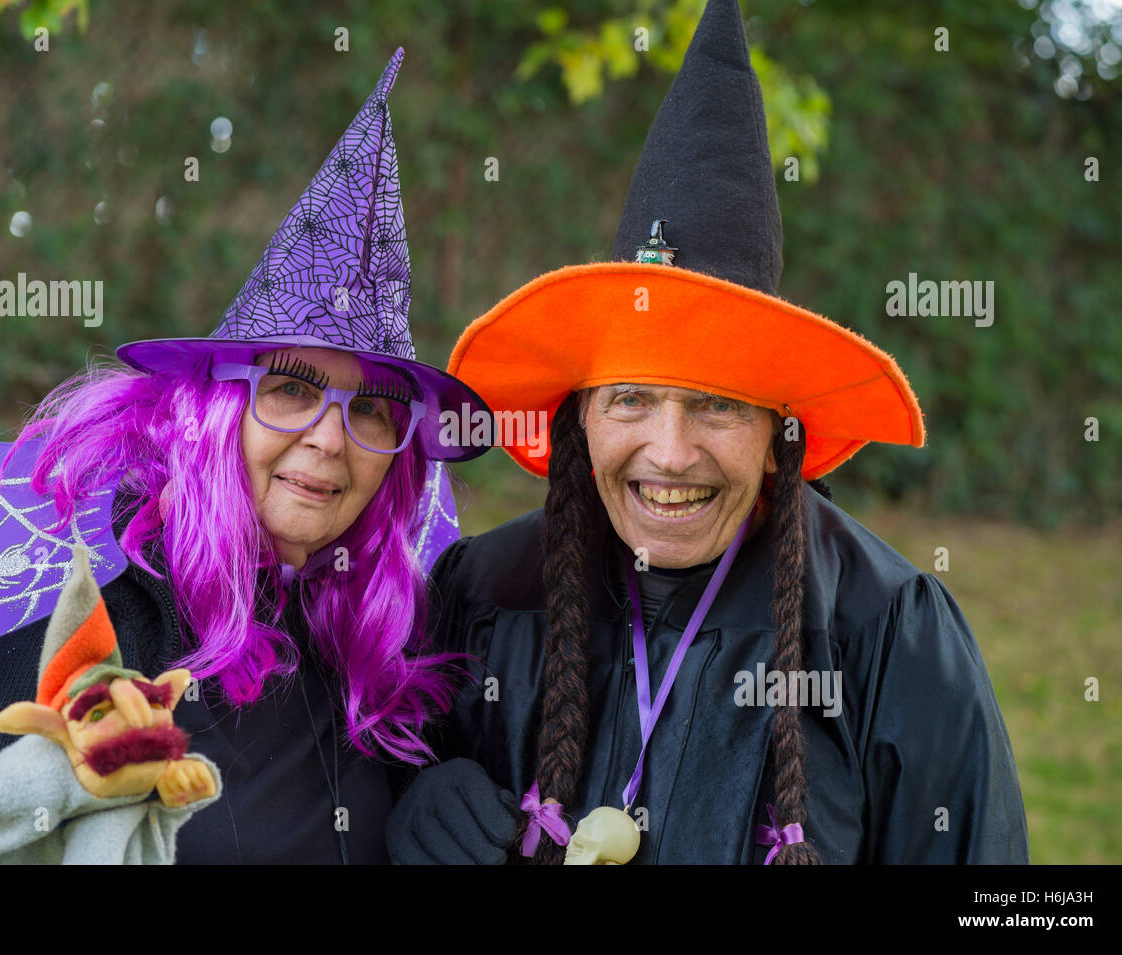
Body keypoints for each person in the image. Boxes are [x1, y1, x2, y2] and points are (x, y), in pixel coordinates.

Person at [386, 1, 1029, 865]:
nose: (671, 450)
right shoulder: (484, 599)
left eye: (718, 403)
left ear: (779, 431)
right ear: (579, 416)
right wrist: (409, 794)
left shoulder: (888, 634)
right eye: (631, 400)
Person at [0, 48, 490, 864]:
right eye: (290, 388)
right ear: (217, 408)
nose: (330, 438)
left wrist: (427, 799)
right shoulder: (81, 602)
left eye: (369, 407)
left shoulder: (371, 638)